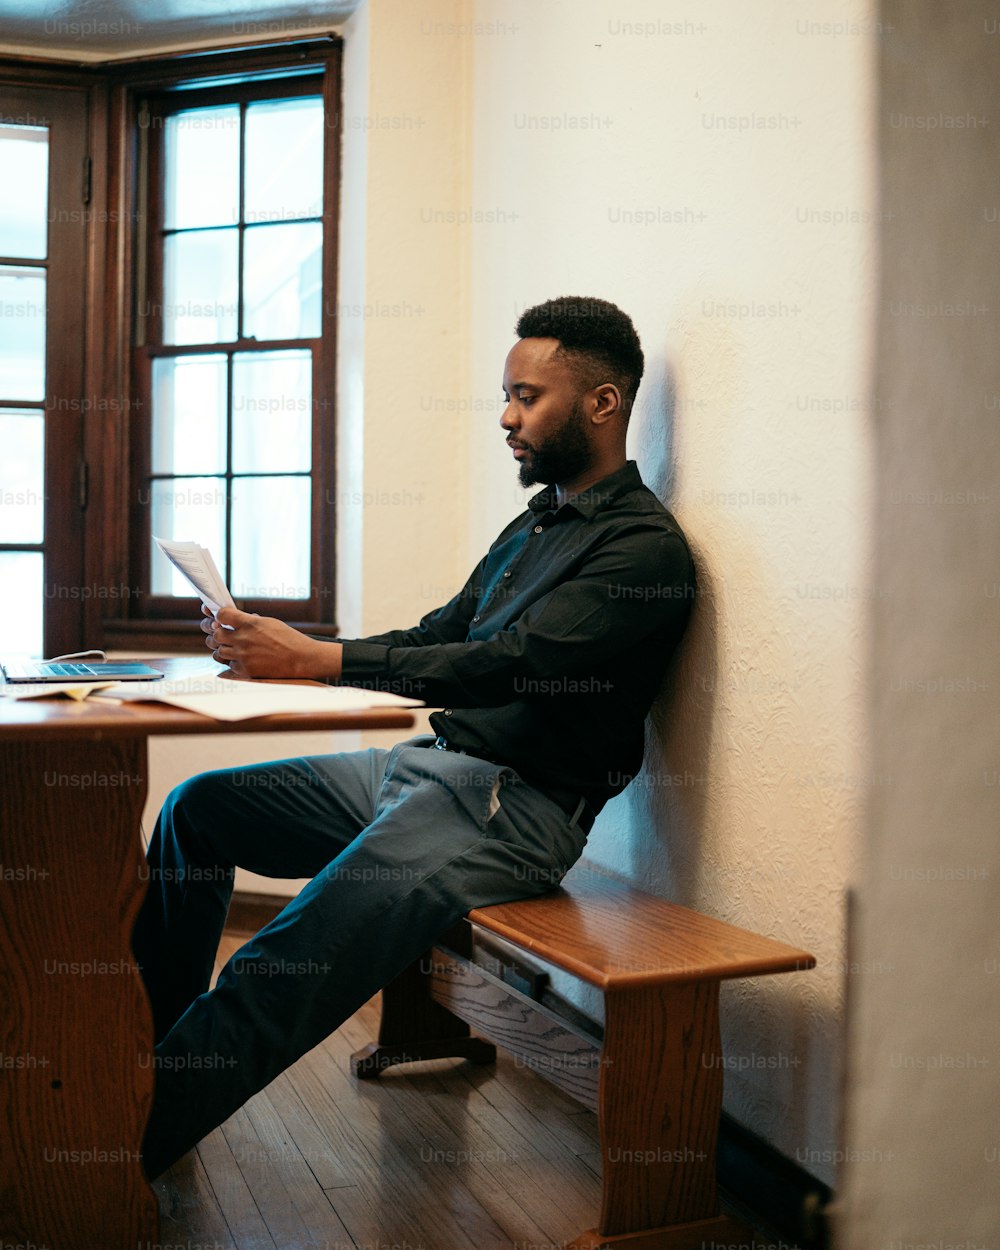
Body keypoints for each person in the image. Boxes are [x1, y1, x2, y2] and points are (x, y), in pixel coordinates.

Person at [135, 295, 696, 1178]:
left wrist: (318, 661)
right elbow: (443, 634)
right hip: (422, 771)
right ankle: (139, 1062)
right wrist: (294, 653)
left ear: (602, 404)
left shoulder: (644, 552)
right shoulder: (536, 524)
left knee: (285, 955)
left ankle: (107, 1157)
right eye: (504, 396)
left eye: (526, 396)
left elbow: (511, 664)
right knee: (197, 810)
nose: (506, 418)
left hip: (512, 812)